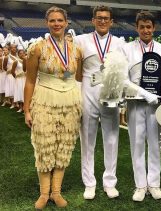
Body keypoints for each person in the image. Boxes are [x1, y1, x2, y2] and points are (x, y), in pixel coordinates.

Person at [23, 6, 82, 209]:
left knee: (64, 147)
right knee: (45, 147)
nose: (56, 24)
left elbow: (78, 76)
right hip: (44, 101)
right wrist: (27, 110)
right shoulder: (37, 48)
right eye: (52, 21)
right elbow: (30, 81)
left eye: (60, 21)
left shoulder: (76, 49)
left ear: (66, 23)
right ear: (47, 23)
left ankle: (56, 192)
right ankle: (43, 193)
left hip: (70, 102)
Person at [74, 5, 125, 199]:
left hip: (110, 93)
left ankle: (109, 182)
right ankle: (89, 182)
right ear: (93, 20)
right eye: (99, 18)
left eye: (106, 18)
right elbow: (77, 70)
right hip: (88, 89)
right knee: (87, 139)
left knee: (111, 138)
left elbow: (123, 72)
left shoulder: (119, 42)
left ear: (111, 22)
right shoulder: (81, 40)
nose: (103, 21)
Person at [122, 11, 161, 201]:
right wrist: (145, 94)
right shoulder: (127, 49)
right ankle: (140, 186)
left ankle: (155, 184)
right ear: (137, 28)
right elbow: (124, 80)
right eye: (141, 27)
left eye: (148, 27)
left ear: (154, 28)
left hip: (156, 104)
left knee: (154, 144)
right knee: (137, 144)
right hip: (135, 103)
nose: (145, 30)